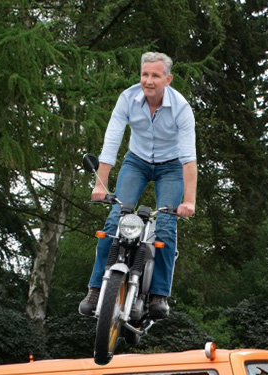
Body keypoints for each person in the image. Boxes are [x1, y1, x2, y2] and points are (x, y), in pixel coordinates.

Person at [80, 51, 197, 320]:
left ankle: (158, 294)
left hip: (171, 167)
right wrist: (103, 185)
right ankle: (96, 289)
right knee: (113, 223)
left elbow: (189, 159)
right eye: (145, 74)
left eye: (155, 75)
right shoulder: (127, 99)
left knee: (166, 226)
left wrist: (188, 201)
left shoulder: (181, 109)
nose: (149, 80)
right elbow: (111, 142)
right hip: (137, 161)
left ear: (167, 79)